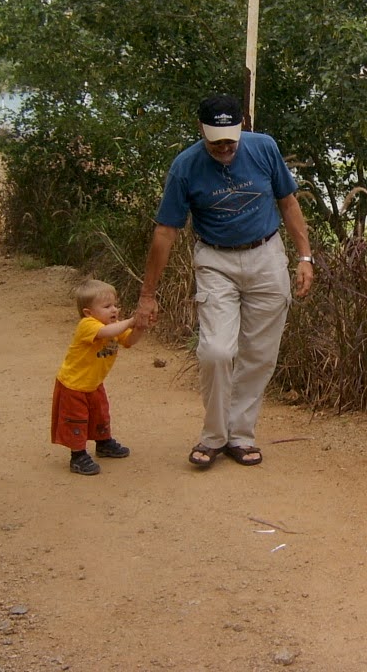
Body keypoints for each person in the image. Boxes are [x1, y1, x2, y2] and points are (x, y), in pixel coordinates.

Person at [136, 93, 314, 469]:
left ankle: (240, 435)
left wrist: (305, 257)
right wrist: (147, 294)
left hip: (266, 255)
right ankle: (214, 435)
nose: (224, 147)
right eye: (216, 140)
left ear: (242, 126)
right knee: (216, 351)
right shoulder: (185, 167)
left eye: (230, 139)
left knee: (259, 354)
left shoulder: (264, 148)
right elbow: (165, 232)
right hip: (215, 260)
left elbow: (288, 202)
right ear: (200, 130)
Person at [51, 279, 146, 476]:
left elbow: (129, 340)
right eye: (107, 306)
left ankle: (103, 443)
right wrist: (131, 321)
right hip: (73, 386)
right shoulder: (87, 325)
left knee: (100, 414)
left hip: (93, 384)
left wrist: (140, 327)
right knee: (76, 420)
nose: (114, 310)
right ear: (88, 312)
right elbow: (105, 332)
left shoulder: (115, 325)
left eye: (115, 305)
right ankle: (77, 456)